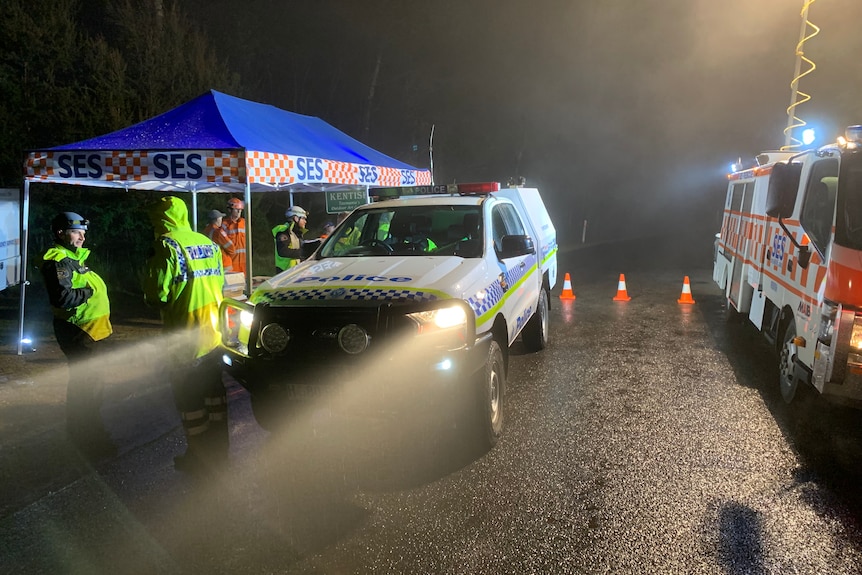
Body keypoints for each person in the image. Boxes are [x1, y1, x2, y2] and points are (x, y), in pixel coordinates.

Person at [143, 196, 228, 474]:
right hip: (213, 334)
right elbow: (222, 284)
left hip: (185, 339)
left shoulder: (166, 246)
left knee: (190, 401)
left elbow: (157, 296)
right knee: (214, 396)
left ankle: (199, 457)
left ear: (161, 219)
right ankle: (219, 452)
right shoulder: (207, 242)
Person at [40, 211, 115, 458]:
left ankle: (81, 434)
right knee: (88, 390)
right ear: (61, 233)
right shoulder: (59, 260)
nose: (82, 236)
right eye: (76, 231)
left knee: (89, 386)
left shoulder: (74, 257)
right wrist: (88, 293)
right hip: (81, 332)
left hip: (91, 332)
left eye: (83, 231)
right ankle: (90, 442)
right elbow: (63, 297)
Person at [272, 205, 310, 273]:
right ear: (296, 218)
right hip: (284, 272)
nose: (305, 221)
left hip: (295, 271)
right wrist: (304, 253)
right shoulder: (284, 231)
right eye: (303, 218)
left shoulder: (296, 232)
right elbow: (283, 251)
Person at [203, 209, 235, 273]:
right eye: (221, 218)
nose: (221, 220)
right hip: (224, 263)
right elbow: (231, 248)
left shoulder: (205, 231)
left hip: (211, 263)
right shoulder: (219, 232)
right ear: (217, 219)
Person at [222, 197, 246, 276]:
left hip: (244, 263)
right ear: (230, 210)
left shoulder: (244, 223)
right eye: (236, 209)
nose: (239, 211)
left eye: (240, 209)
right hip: (231, 263)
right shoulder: (225, 225)